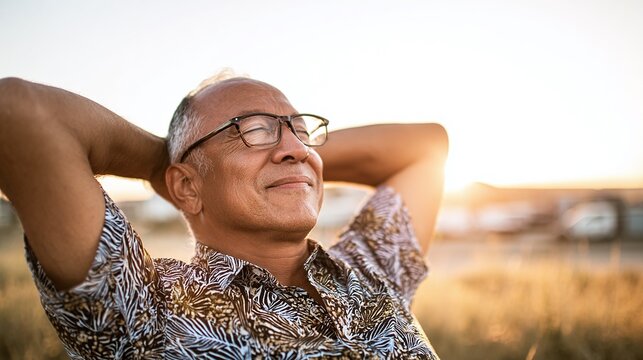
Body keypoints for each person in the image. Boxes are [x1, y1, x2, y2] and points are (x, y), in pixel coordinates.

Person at [0, 72, 448, 359]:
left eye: (302, 131)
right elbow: (19, 111)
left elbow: (427, 147)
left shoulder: (372, 268)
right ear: (187, 187)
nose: (295, 148)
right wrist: (165, 162)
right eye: (252, 130)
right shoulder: (144, 312)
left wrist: (288, 151)